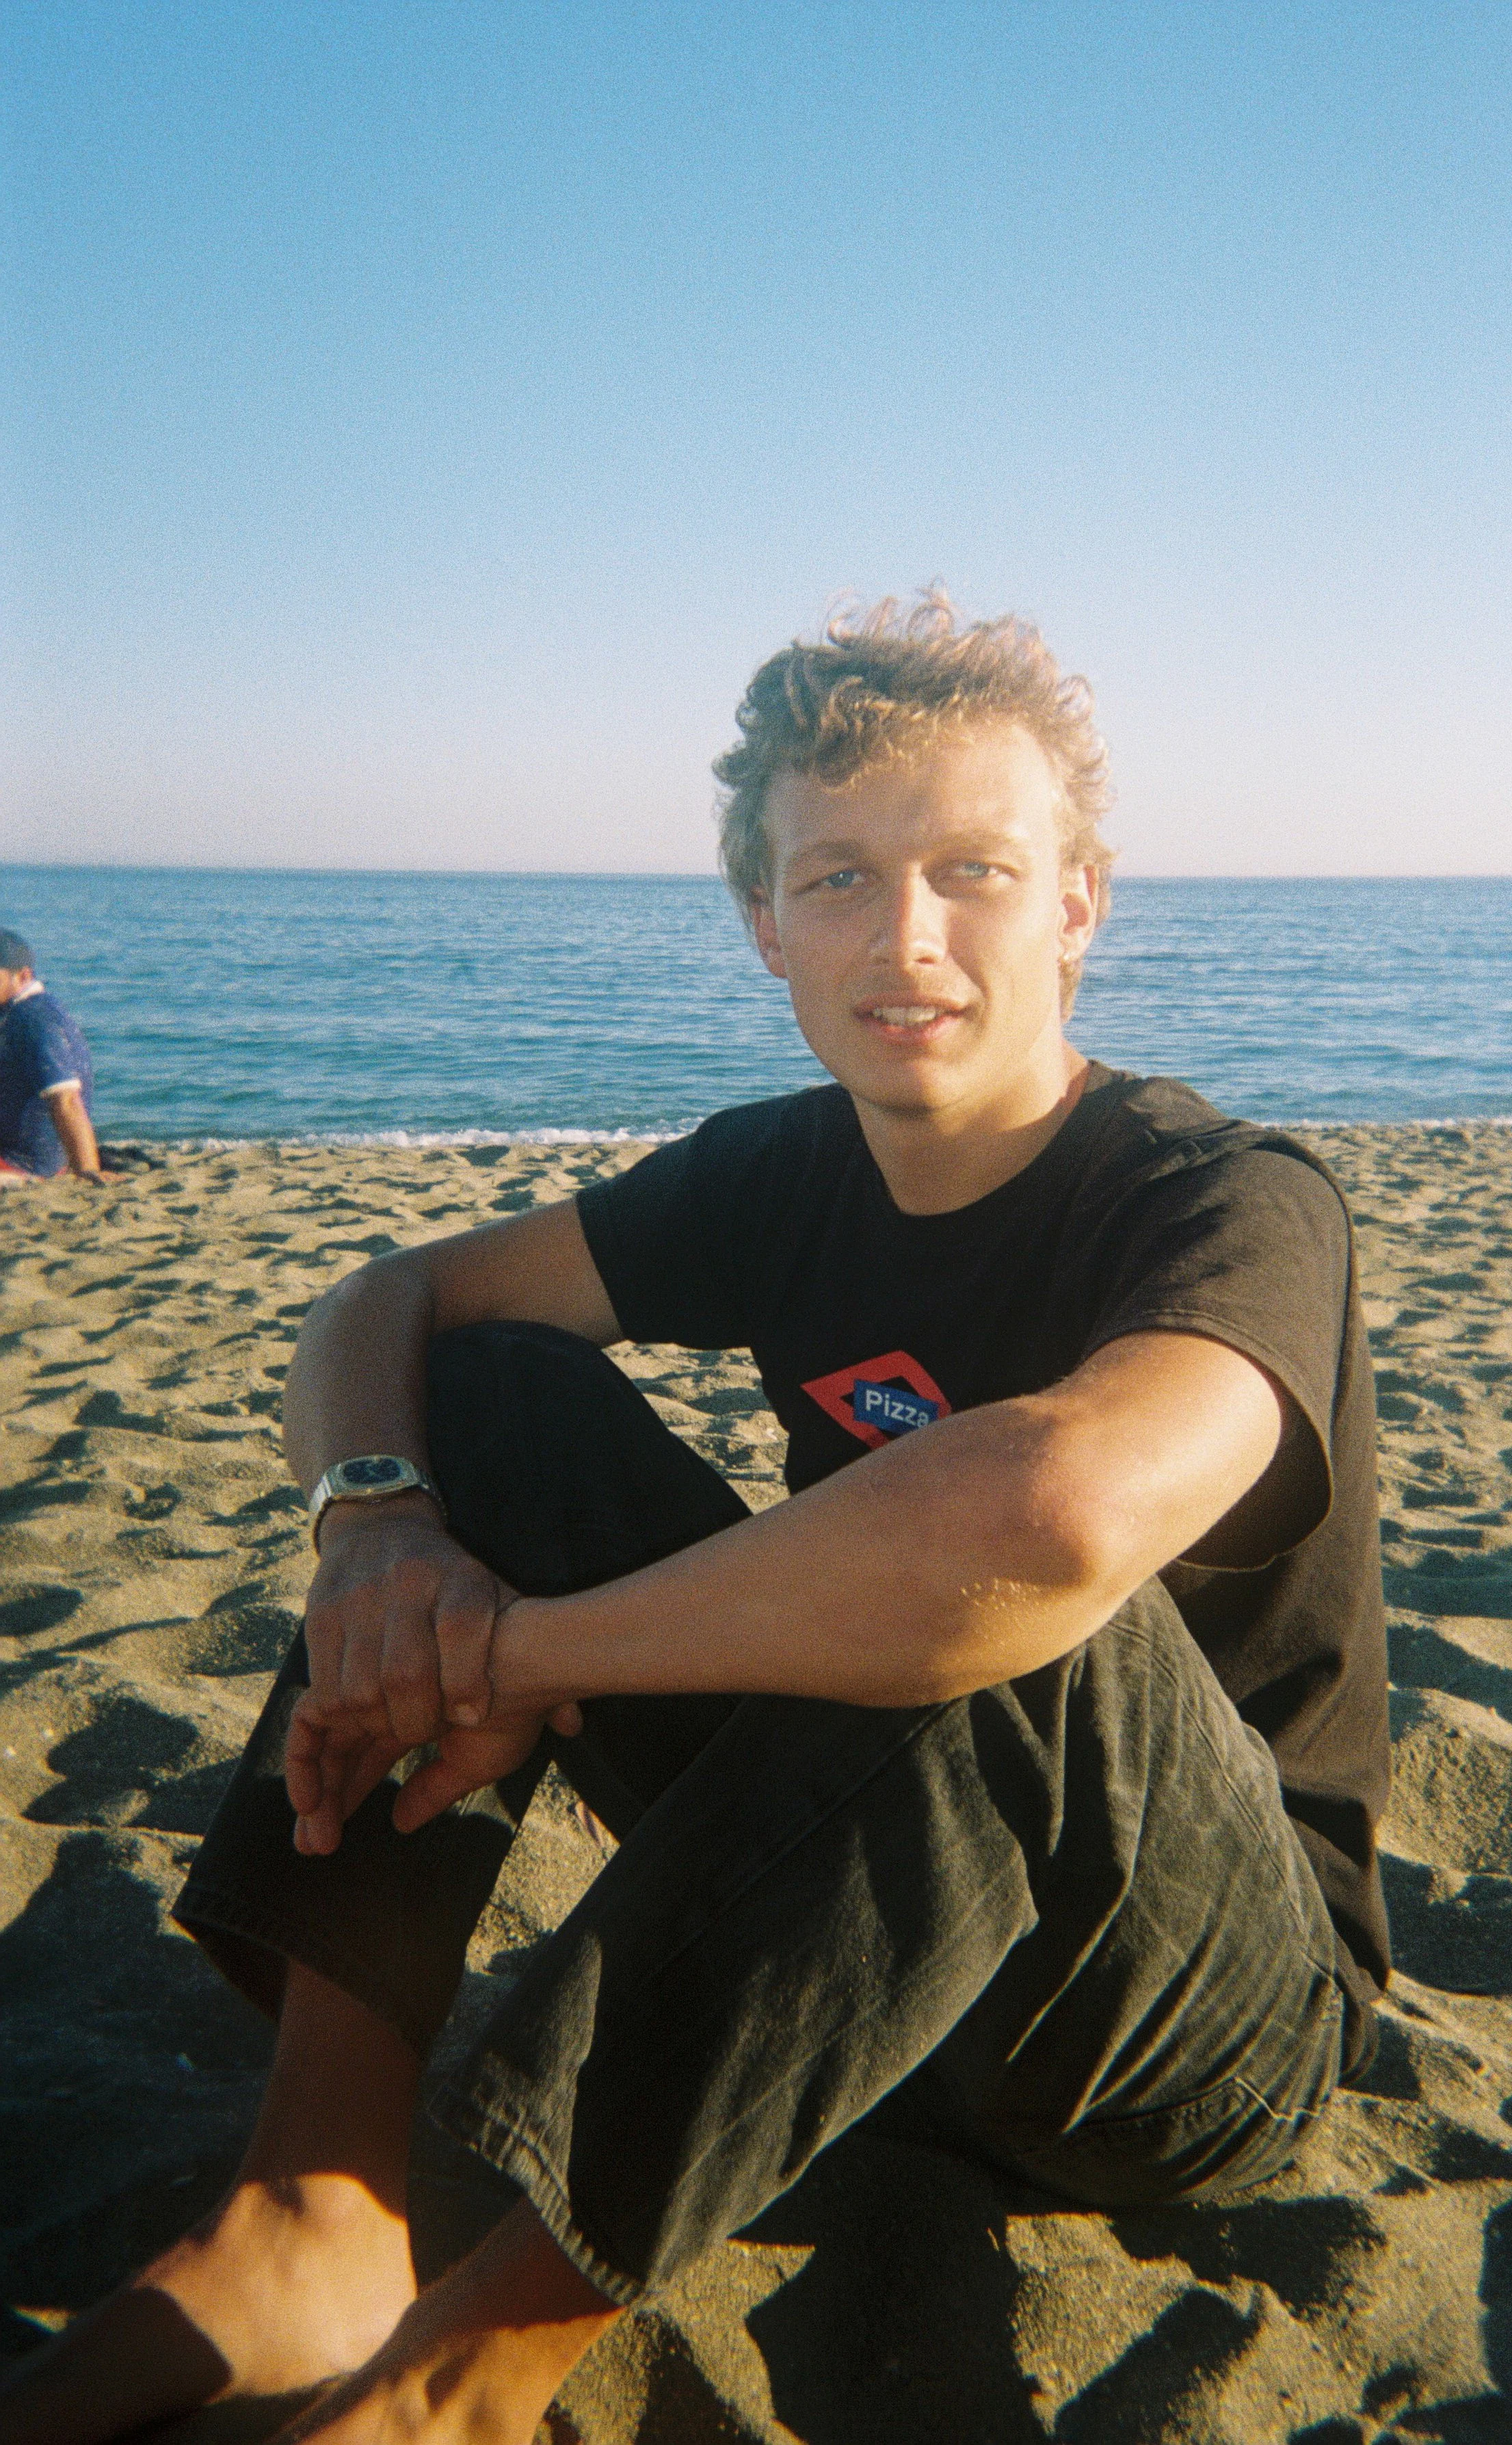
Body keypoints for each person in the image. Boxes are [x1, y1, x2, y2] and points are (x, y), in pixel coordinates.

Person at [0, 597, 1391, 2445]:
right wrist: (380, 1538)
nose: (905, 933)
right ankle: (311, 2207)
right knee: (482, 1396)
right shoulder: (780, 1172)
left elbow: (1051, 1516)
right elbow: (380, 1302)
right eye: (838, 876)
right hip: (846, 1940)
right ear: (764, 923)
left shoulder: (1221, 1197)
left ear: (1075, 903)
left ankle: (467, 2373)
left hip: (1166, 2029)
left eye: (973, 869)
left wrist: (521, 1653)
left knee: (1012, 1591)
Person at [0, 931, 101, 1184]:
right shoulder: (16, 1011)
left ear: (23, 976)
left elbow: (67, 1099)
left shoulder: (36, 1018)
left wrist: (88, 1171)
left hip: (25, 1163)